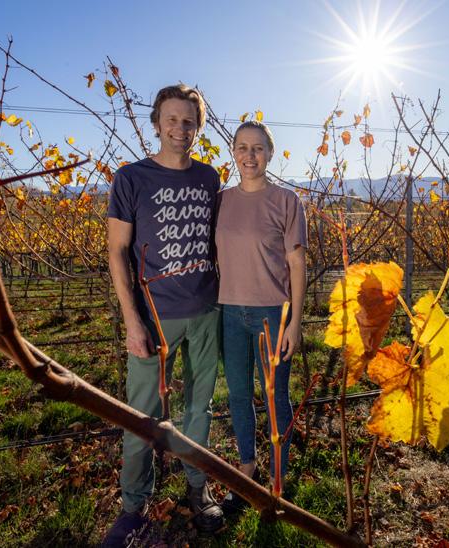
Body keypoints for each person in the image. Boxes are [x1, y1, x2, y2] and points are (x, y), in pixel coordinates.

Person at [103, 84, 223, 547]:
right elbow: (117, 252)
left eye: (189, 121)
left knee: (199, 408)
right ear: (157, 124)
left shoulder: (209, 178)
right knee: (141, 416)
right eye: (171, 119)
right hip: (154, 317)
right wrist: (132, 321)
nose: (180, 128)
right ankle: (134, 507)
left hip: (206, 311)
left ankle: (198, 487)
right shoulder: (131, 178)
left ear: (198, 127)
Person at [215, 120, 307, 513]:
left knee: (276, 398)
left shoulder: (286, 201)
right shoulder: (220, 201)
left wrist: (295, 322)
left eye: (257, 148)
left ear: (269, 153)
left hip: (273, 313)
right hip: (229, 313)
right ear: (233, 153)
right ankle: (247, 468)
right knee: (238, 395)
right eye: (242, 147)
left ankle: (279, 474)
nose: (249, 155)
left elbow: (297, 264)